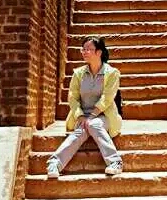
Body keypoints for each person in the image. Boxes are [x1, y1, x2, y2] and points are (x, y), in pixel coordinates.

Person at [48, 36, 123, 178]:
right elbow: (72, 97)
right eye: (83, 49)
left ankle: (115, 162)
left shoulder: (112, 73)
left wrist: (91, 116)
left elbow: (107, 98)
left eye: (89, 49)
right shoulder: (78, 74)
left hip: (104, 115)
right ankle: (55, 163)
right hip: (82, 116)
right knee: (83, 128)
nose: (84, 52)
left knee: (93, 124)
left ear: (99, 52)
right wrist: (81, 116)